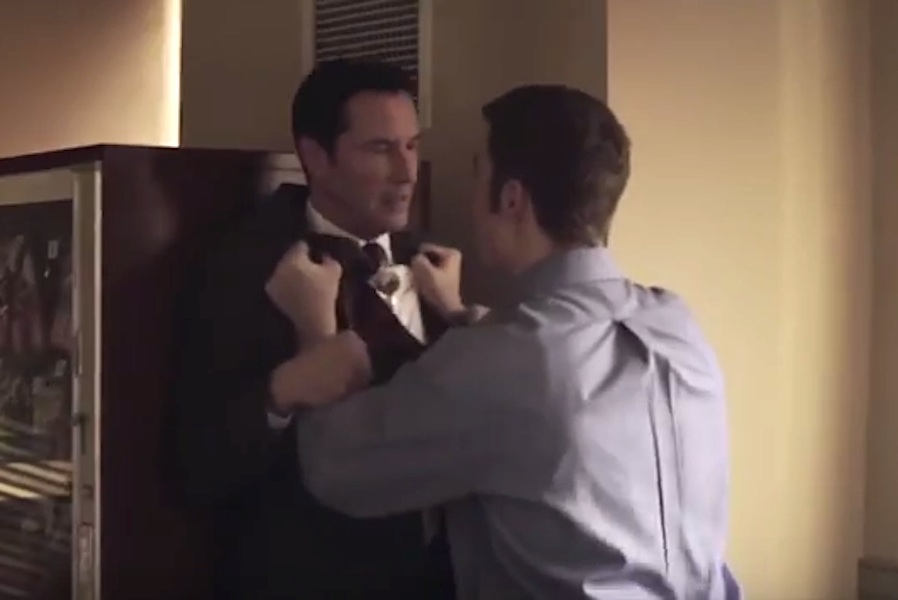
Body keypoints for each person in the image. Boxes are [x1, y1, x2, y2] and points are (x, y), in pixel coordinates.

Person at [264, 84, 741, 599]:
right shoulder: (675, 322)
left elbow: (333, 466)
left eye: (478, 173)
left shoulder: (501, 360)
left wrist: (315, 333)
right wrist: (462, 316)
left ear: (511, 199)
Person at [171, 59, 455, 599]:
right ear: (317, 157)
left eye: (412, 146)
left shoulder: (436, 266)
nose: (406, 171)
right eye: (381, 149)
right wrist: (281, 393)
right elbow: (198, 461)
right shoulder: (244, 267)